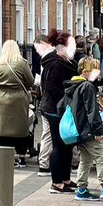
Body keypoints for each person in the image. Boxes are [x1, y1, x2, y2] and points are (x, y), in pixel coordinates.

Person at [66, 58, 103, 201]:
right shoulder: (87, 86)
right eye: (95, 71)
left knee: (85, 160)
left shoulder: (74, 85)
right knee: (101, 155)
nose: (98, 74)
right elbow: (92, 111)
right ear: (86, 72)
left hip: (79, 129)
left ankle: (81, 189)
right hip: (88, 130)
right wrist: (98, 131)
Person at [40, 29, 80, 195]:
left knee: (67, 145)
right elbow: (51, 88)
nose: (74, 48)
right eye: (71, 45)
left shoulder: (64, 62)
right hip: (55, 110)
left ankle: (65, 179)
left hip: (62, 109)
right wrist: (67, 100)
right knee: (59, 145)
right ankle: (56, 182)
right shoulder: (55, 64)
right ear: (61, 47)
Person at [0, 40, 34, 168]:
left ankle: (5, 156)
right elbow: (30, 81)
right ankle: (21, 157)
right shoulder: (22, 63)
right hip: (18, 98)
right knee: (20, 128)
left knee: (3, 128)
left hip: (1, 98)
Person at [32, 34, 54, 175]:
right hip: (50, 102)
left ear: (43, 43)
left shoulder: (48, 58)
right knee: (49, 133)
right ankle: (44, 164)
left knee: (48, 133)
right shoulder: (50, 58)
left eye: (36, 47)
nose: (36, 51)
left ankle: (44, 162)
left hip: (47, 100)